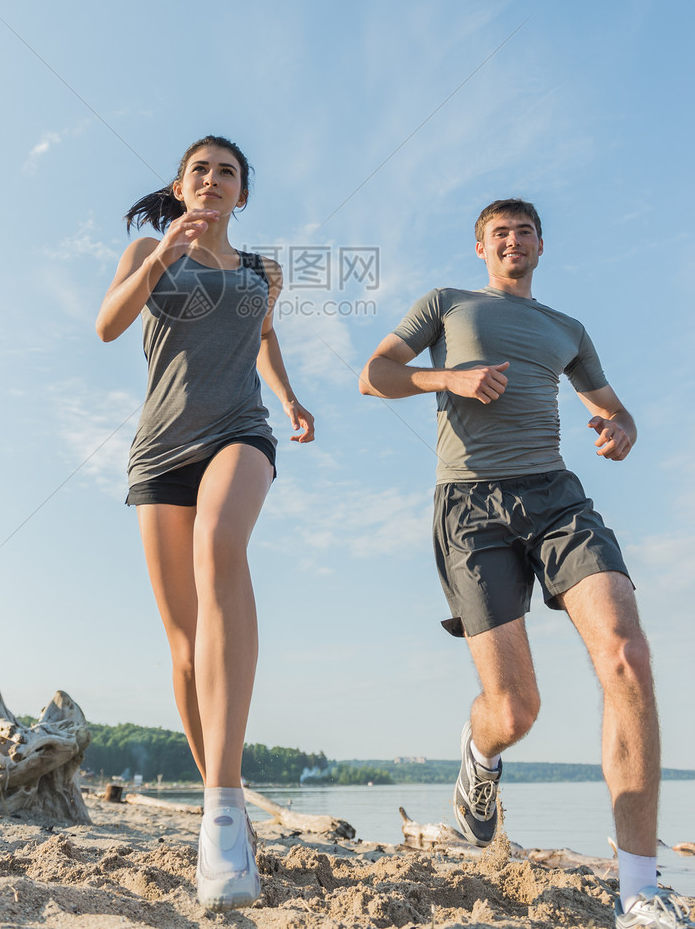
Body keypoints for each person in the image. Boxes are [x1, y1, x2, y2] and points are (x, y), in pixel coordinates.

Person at [359, 198, 693, 929]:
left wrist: (620, 428)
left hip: (556, 500)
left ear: (541, 245)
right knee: (515, 711)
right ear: (482, 247)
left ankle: (637, 887)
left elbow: (615, 407)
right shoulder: (446, 305)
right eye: (499, 232)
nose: (513, 240)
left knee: (628, 657)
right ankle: (479, 756)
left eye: (524, 231)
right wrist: (448, 380)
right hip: (469, 508)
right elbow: (375, 374)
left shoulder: (566, 330)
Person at [96, 135, 314, 911]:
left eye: (227, 173)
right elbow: (108, 327)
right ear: (182, 188)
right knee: (186, 650)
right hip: (158, 452)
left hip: (239, 432)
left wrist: (285, 399)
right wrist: (164, 256)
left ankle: (222, 812)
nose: (213, 181)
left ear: (242, 195)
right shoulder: (149, 252)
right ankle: (223, 807)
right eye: (201, 172)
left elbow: (260, 338)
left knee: (221, 544)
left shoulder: (263, 273)